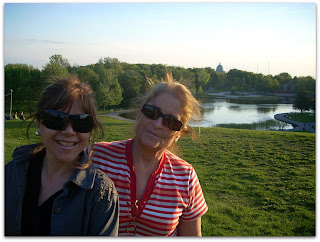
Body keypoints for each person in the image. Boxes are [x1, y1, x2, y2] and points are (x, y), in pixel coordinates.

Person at [86, 73, 208, 236]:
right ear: (139, 113)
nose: (157, 124)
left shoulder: (185, 177)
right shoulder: (96, 156)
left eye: (170, 122)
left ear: (179, 133)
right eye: (151, 112)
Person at [5, 77, 119, 236]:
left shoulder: (101, 195)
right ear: (39, 124)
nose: (69, 131)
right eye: (56, 119)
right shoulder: (11, 174)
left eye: (81, 122)